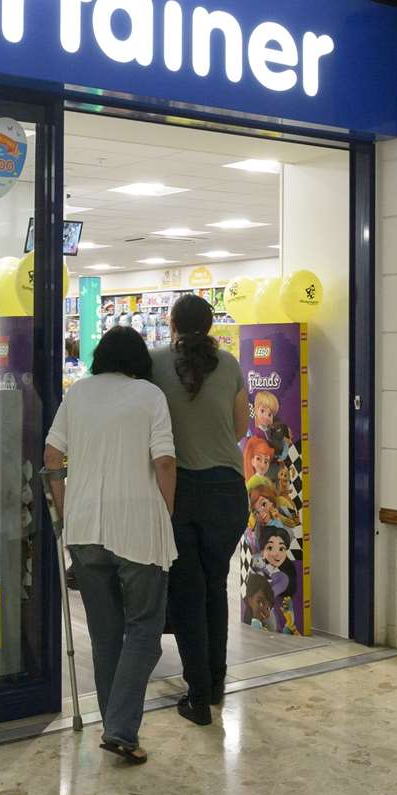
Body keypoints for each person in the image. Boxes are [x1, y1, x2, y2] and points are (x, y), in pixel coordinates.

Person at [44, 326, 176, 765]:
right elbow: (164, 461)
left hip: (84, 529)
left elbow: (51, 457)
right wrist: (166, 512)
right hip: (137, 527)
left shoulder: (78, 394)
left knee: (104, 636)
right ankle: (120, 728)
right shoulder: (150, 396)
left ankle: (114, 726)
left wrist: (65, 507)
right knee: (144, 630)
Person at [149, 294, 248, 727]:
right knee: (214, 585)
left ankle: (199, 692)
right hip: (229, 489)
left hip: (182, 490)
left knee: (188, 591)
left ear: (170, 323)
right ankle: (217, 680)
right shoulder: (229, 364)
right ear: (210, 324)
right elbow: (241, 427)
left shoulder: (154, 362)